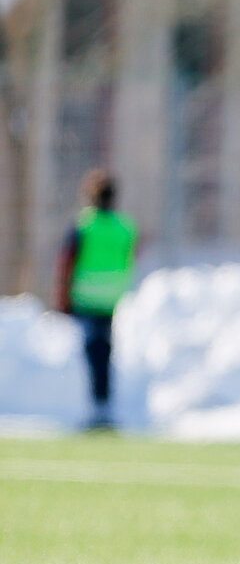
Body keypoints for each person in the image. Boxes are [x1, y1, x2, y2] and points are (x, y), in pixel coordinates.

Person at [54, 170, 137, 429]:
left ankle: (95, 408)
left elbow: (66, 261)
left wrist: (62, 297)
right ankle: (103, 406)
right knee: (105, 352)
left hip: (86, 299)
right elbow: (128, 257)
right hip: (111, 298)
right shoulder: (125, 227)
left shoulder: (84, 225)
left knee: (93, 353)